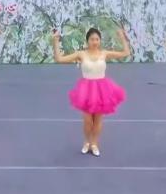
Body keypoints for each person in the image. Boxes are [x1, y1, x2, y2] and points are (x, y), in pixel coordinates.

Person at [53, 27, 130, 157]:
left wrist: (122, 37)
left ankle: (94, 143)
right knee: (88, 120)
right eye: (92, 39)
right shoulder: (81, 54)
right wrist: (55, 41)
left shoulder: (104, 53)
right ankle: (87, 141)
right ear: (87, 40)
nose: (94, 42)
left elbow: (125, 53)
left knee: (98, 120)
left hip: (102, 89)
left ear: (100, 40)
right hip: (86, 90)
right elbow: (59, 59)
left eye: (97, 39)